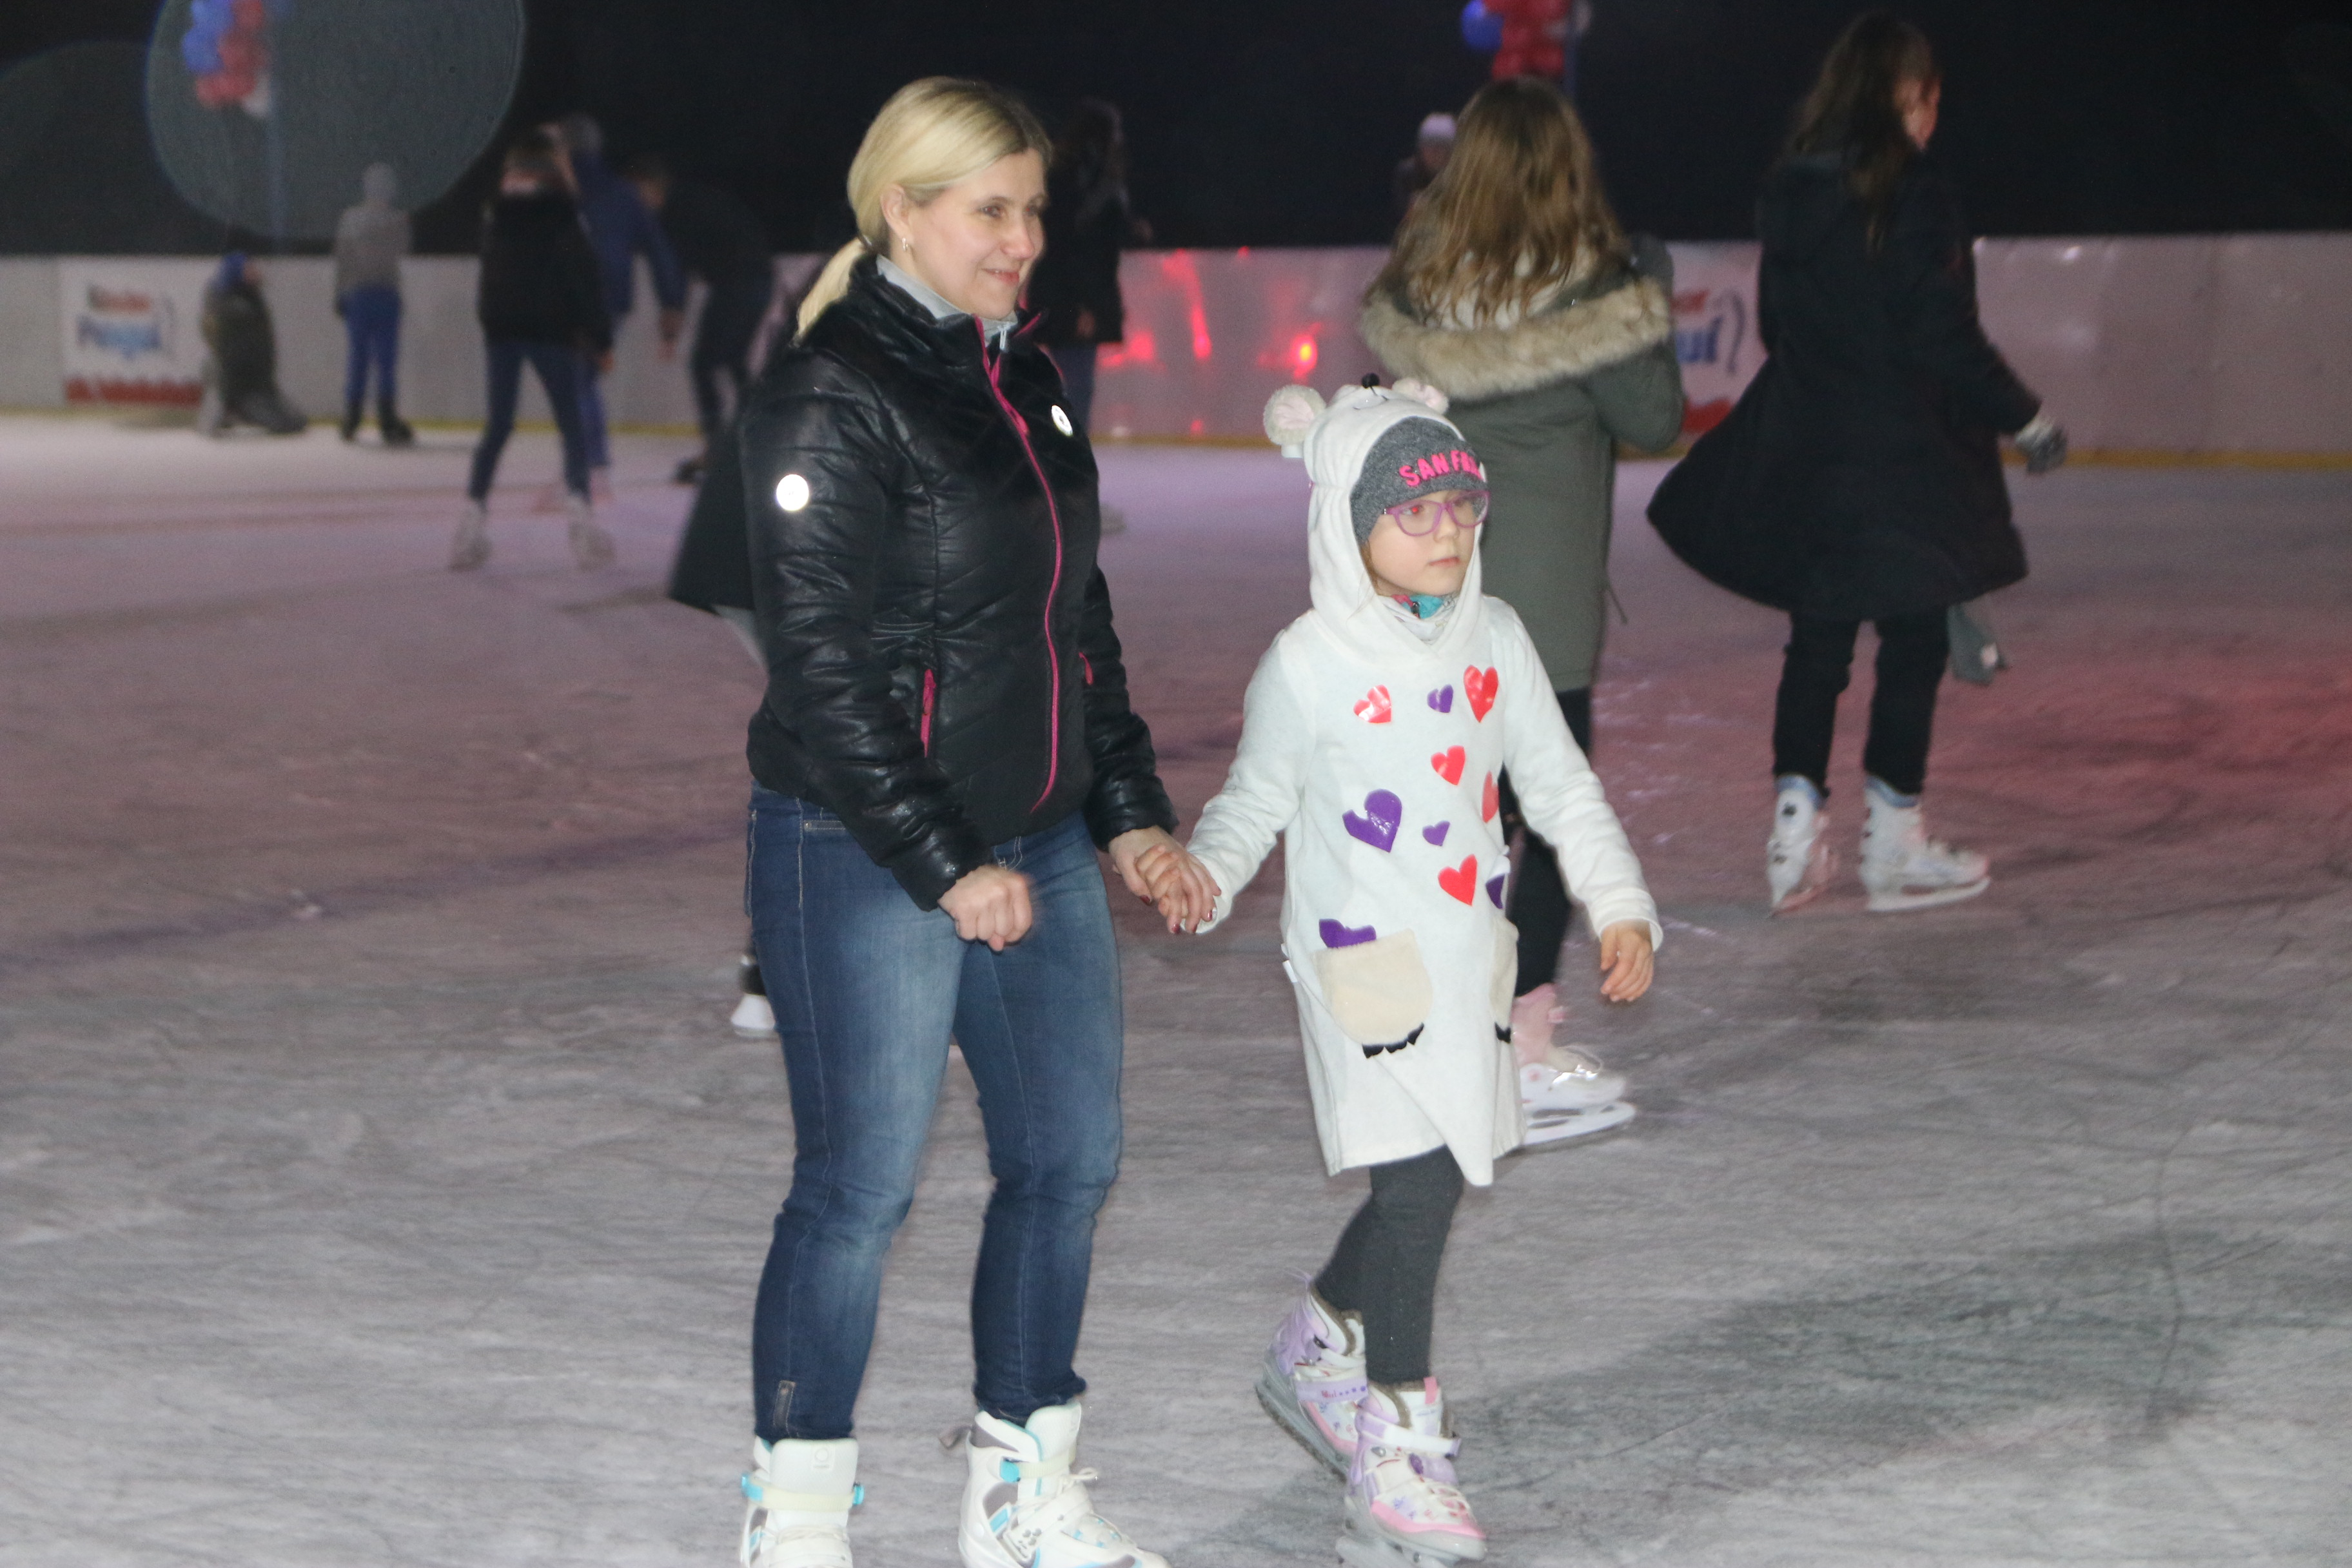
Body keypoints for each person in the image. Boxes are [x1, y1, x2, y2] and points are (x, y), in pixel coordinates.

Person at [730, 77, 1185, 1568]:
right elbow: (820, 669)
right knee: (859, 1189)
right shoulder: (828, 393)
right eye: (990, 209)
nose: (1023, 238)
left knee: (1069, 1159)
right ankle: (795, 1511)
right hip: (862, 851)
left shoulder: (1024, 378)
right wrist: (944, 860)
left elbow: (1074, 623)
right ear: (902, 210)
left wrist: (1125, 811)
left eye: (1033, 208)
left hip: (1035, 838)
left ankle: (1019, 1490)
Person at [1144, 380, 1659, 1568]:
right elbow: (1254, 800)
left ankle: (1318, 1334)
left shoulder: (1498, 639)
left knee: (1433, 1170)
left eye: (1462, 507)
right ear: (1349, 520)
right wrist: (1207, 874)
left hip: (1468, 951)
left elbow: (1559, 785)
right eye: (1413, 512)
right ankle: (1397, 1445)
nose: (1446, 532)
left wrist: (1621, 900)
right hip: (1360, 960)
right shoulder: (1307, 663)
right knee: (1423, 1181)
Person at [1647, 11, 2067, 914]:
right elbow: (1940, 327)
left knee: (1820, 641)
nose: (1934, 117)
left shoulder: (1790, 189)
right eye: (1931, 99)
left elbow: (1775, 326)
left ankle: (1793, 838)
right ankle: (1894, 844)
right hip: (1904, 454)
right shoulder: (1914, 190)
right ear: (1907, 95)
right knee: (1913, 638)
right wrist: (2026, 417)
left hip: (1813, 446)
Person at [1360, 75, 1681, 1144]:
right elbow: (1653, 415)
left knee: (1442, 821)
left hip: (1424, 591)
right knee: (1537, 826)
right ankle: (1518, 1053)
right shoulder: (1592, 291)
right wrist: (1647, 298)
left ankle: (1428, 1038)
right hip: (1537, 616)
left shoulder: (1417, 284)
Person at [451, 132, 614, 573]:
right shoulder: (563, 211)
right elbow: (584, 273)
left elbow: (488, 272)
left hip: (503, 328)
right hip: (550, 329)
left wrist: (491, 322)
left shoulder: (495, 211)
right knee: (571, 423)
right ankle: (580, 516)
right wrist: (600, 337)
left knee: (498, 426)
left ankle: (472, 516)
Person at [621, 155, 777, 486]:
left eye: (635, 194)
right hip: (755, 280)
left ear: (649, 186)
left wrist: (673, 311)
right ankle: (753, 440)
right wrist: (674, 311)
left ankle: (720, 449)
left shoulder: (675, 212)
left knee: (704, 365)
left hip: (741, 283)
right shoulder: (689, 201)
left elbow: (679, 269)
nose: (633, 205)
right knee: (732, 361)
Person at [556, 113, 686, 498]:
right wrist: (671, 300)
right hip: (613, 301)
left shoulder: (563, 192)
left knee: (577, 382)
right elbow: (659, 250)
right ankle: (591, 466)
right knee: (582, 381)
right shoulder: (624, 194)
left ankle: (590, 468)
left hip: (576, 298)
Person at [1026, 98, 1145, 438]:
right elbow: (1074, 248)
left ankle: (1063, 454)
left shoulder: (1076, 180)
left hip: (1064, 294)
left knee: (1073, 383)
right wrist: (1081, 304)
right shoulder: (1085, 183)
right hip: (1072, 297)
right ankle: (1067, 457)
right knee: (1076, 384)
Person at [331, 162, 415, 446]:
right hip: (385, 293)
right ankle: (386, 418)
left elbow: (343, 258)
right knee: (385, 359)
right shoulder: (397, 219)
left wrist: (339, 293)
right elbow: (403, 249)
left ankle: (352, 418)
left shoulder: (351, 218)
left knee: (359, 356)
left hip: (359, 294)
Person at [197, 253, 305, 436]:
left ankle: (244, 409)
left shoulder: (252, 299)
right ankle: (235, 410)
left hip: (261, 385)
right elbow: (232, 357)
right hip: (243, 389)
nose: (256, 271)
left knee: (296, 421)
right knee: (287, 424)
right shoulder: (234, 308)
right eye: (249, 269)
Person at [1391, 112, 1455, 220]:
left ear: (1451, 151)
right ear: (1420, 148)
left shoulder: (1461, 176)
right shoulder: (1407, 175)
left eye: (1442, 146)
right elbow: (1402, 214)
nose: (1435, 153)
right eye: (1430, 145)